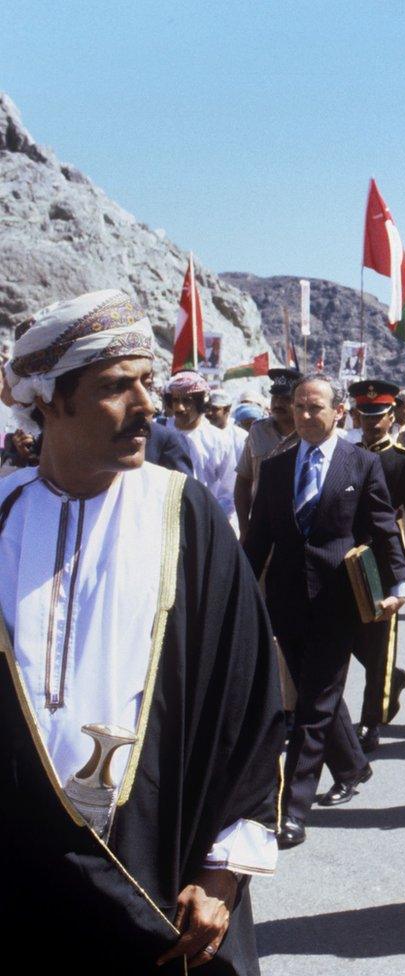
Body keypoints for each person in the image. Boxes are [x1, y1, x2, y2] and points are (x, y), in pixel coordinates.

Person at [0, 289, 282, 973]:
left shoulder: (181, 515)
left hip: (161, 872)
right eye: (115, 387)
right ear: (48, 401)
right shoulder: (4, 514)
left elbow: (247, 702)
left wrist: (224, 872)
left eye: (148, 383)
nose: (147, 406)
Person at [243, 374, 405, 849]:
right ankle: (354, 765)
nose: (304, 416)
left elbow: (382, 527)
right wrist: (235, 585)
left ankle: (291, 809)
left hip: (340, 600)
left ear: (339, 412)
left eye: (314, 407)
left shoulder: (361, 463)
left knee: (313, 706)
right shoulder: (276, 468)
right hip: (287, 601)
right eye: (298, 407)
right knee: (319, 692)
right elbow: (258, 539)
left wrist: (398, 580)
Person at [347, 379, 405, 753]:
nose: (371, 423)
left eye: (378, 415)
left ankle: (370, 722)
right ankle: (392, 679)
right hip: (347, 558)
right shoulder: (345, 456)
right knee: (347, 636)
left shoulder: (404, 463)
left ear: (392, 416)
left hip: (384, 559)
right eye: (365, 415)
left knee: (380, 642)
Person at [161, 371, 238, 530]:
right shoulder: (158, 432)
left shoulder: (219, 440)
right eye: (175, 400)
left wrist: (211, 522)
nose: (179, 408)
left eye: (186, 401)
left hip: (204, 522)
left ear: (201, 402)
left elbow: (229, 491)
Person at [234, 367, 300, 535]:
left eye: (285, 398)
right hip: (260, 524)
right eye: (275, 397)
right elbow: (243, 480)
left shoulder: (308, 434)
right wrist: (244, 527)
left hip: (297, 526)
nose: (277, 403)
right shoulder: (258, 430)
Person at [207, 387, 248, 459]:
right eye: (207, 408)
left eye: (214, 409)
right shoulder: (200, 433)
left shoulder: (240, 436)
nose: (209, 413)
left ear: (227, 409)